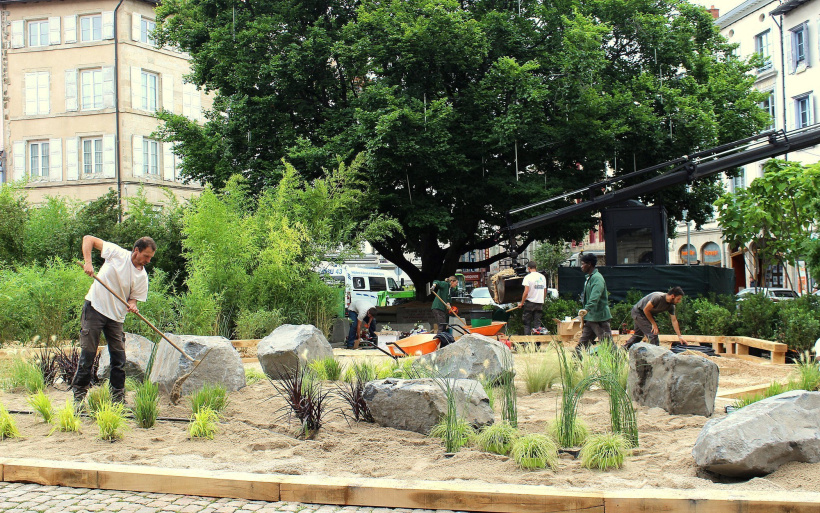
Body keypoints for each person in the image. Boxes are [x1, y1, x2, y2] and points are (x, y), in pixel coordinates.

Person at [72, 235, 155, 404]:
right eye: (146, 256)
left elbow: (133, 299)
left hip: (116, 317)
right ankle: (79, 399)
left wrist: (133, 305)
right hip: (95, 308)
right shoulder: (117, 254)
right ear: (136, 250)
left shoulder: (142, 277)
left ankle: (117, 400)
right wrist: (88, 262)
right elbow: (88, 239)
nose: (148, 260)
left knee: (118, 359)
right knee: (87, 355)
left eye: (150, 258)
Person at [576, 253, 612, 353]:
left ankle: (616, 365)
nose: (581, 266)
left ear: (590, 264)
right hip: (591, 318)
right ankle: (574, 366)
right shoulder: (590, 278)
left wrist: (586, 309)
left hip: (600, 318)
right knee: (582, 345)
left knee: (608, 345)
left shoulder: (597, 278)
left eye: (583, 264)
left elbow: (595, 297)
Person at [519, 261, 547, 335]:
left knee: (527, 324)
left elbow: (526, 291)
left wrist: (521, 303)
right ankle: (537, 344)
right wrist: (542, 300)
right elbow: (545, 291)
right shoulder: (542, 277)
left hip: (529, 304)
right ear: (536, 267)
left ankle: (528, 344)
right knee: (537, 325)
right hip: (539, 304)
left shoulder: (527, 277)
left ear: (528, 268)